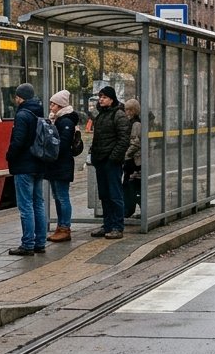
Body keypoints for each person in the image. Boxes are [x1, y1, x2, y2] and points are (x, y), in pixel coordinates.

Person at [5, 83, 48, 255]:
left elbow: (19, 141)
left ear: (19, 97)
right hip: (38, 164)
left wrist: (9, 155)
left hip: (24, 166)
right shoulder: (39, 111)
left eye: (16, 96)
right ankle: (40, 242)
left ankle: (28, 244)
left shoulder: (22, 114)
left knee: (26, 206)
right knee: (38, 204)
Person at [89, 86, 131, 239]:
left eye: (104, 97)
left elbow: (124, 139)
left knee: (115, 194)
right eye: (100, 96)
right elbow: (97, 138)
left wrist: (113, 158)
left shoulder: (119, 115)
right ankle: (107, 225)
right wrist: (93, 154)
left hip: (111, 162)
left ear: (112, 99)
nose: (101, 99)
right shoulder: (100, 115)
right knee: (104, 195)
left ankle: (117, 226)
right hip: (100, 160)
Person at [45, 89, 80, 243]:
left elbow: (63, 145)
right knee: (58, 197)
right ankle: (61, 227)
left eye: (53, 104)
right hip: (56, 165)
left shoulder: (65, 122)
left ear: (60, 105)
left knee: (62, 197)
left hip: (61, 165)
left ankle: (65, 227)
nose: (51, 106)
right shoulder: (57, 120)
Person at [122, 98, 143, 218]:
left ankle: (130, 209)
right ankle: (130, 208)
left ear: (134, 110)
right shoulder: (133, 122)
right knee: (131, 185)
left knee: (131, 185)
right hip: (133, 159)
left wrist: (126, 155)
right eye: (126, 109)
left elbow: (135, 143)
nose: (127, 112)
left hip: (135, 160)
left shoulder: (136, 124)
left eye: (129, 110)